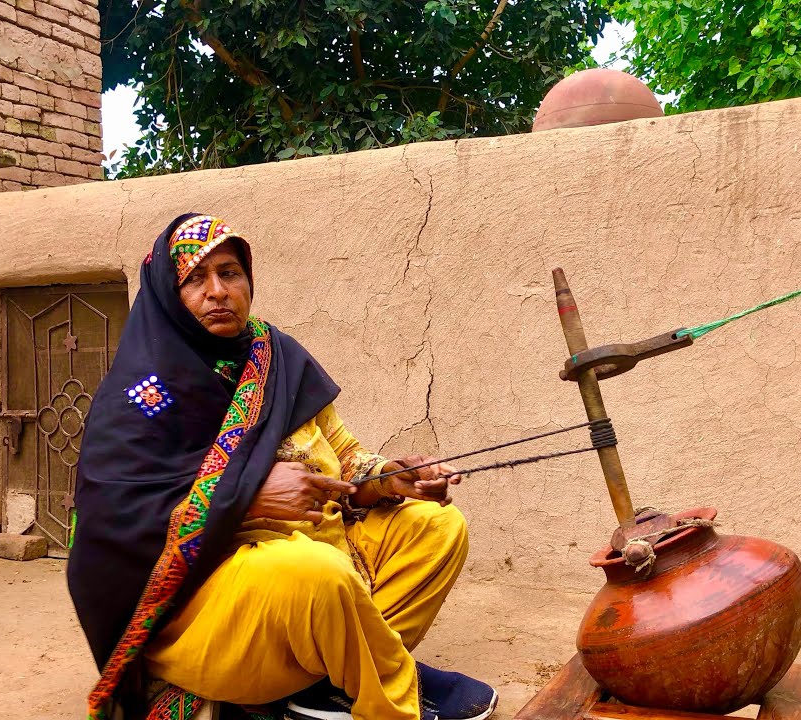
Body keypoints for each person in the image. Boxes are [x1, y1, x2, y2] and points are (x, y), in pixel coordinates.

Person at [68, 214, 498, 720]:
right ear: (167, 292)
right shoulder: (141, 394)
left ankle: (323, 684)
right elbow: (111, 526)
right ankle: (386, 699)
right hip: (216, 604)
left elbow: (340, 455)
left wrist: (387, 478)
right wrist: (245, 497)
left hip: (324, 570)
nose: (217, 291)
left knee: (437, 526)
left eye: (229, 273)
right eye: (194, 279)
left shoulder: (273, 355)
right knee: (310, 570)